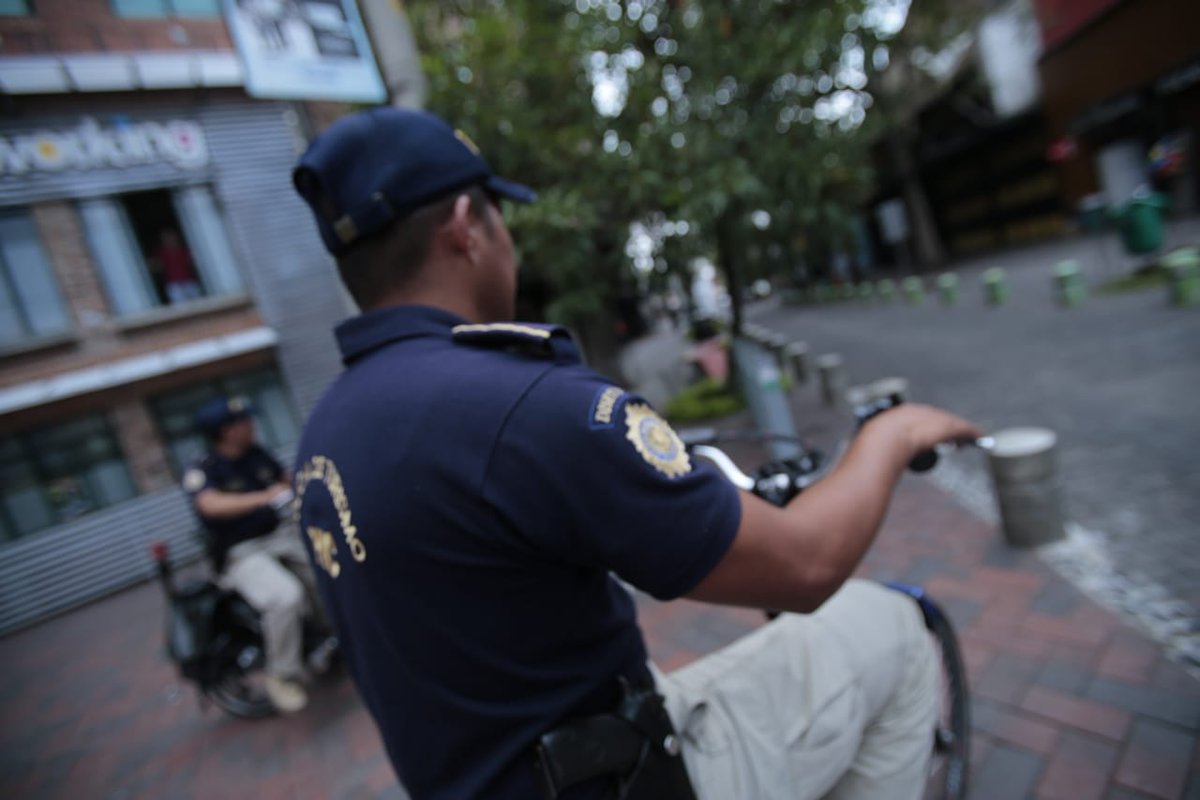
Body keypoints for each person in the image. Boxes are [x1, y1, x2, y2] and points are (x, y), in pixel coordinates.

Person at [290, 107, 980, 799]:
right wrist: (892, 435)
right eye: (502, 218)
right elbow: (805, 565)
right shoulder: (520, 403)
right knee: (892, 630)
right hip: (633, 782)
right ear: (466, 226)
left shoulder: (323, 435)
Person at [183, 396, 326, 713]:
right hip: (240, 553)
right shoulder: (204, 467)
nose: (251, 425)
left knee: (329, 570)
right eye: (244, 421)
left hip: (279, 537)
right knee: (284, 597)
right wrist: (263, 497)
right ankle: (282, 675)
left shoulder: (256, 454)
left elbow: (289, 481)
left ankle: (329, 642)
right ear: (227, 431)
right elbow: (208, 504)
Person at [149, 228, 202, 305]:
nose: (170, 240)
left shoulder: (183, 250)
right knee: (181, 306)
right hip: (173, 284)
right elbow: (155, 266)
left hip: (188, 280)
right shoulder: (161, 253)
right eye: (166, 238)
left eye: (171, 237)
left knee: (199, 303)